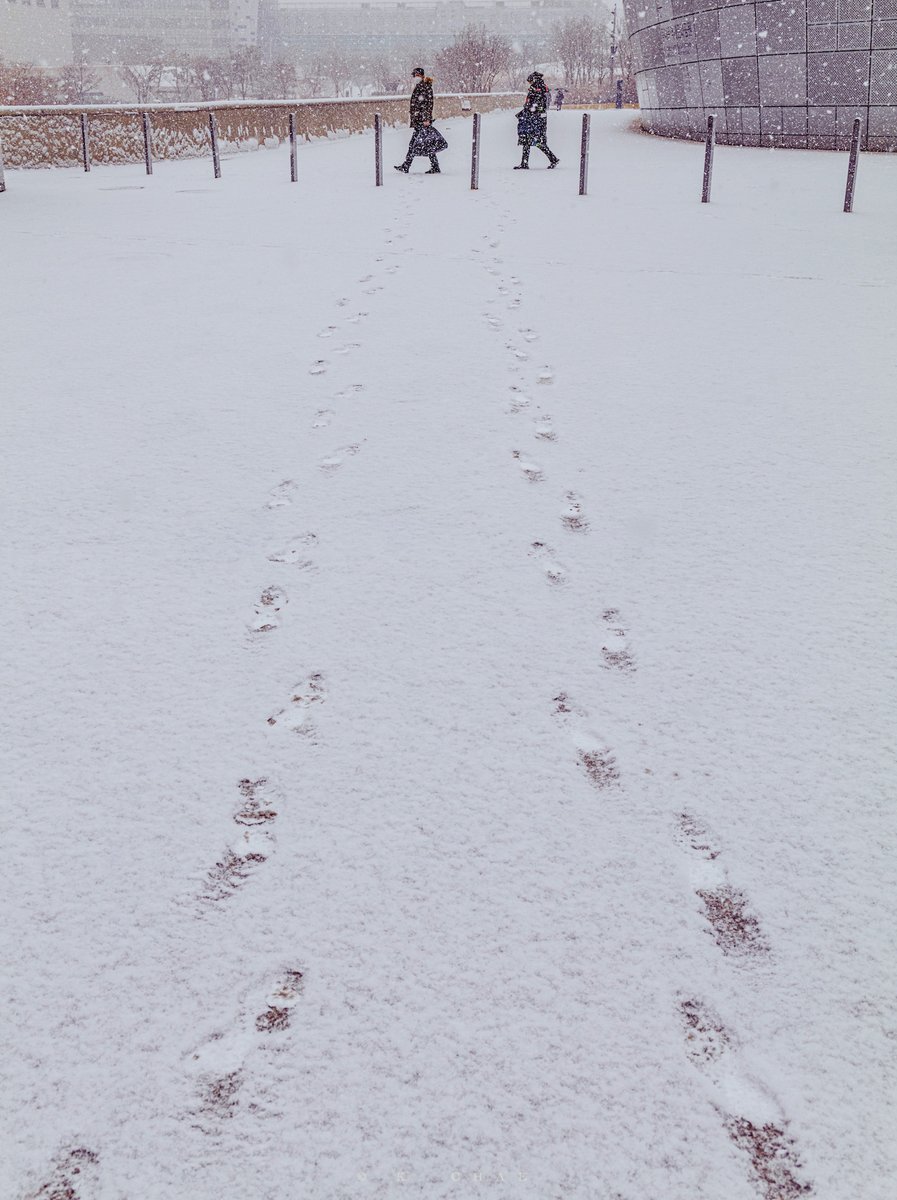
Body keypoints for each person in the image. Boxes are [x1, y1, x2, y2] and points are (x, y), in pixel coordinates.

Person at [394, 67, 441, 174]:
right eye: (414, 76)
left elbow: (427, 104)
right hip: (420, 120)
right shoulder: (421, 86)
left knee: (414, 144)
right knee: (427, 144)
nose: (414, 77)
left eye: (416, 75)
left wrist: (425, 119)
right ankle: (435, 166)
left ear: (420, 76)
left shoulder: (424, 87)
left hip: (422, 121)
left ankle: (406, 166)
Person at [515, 71, 559, 170]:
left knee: (533, 140)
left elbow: (534, 104)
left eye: (530, 81)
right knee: (530, 140)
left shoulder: (537, 89)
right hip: (537, 118)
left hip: (534, 119)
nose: (529, 84)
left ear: (533, 80)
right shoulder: (543, 88)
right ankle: (525, 163)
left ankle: (552, 159)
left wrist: (529, 111)